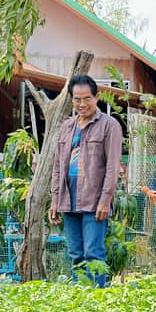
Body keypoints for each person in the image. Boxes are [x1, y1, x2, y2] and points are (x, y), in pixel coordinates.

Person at [49, 74, 122, 287]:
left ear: (96, 97)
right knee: (75, 254)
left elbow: (112, 166)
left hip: (94, 200)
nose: (82, 104)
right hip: (68, 199)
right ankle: (80, 298)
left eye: (86, 98)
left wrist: (105, 200)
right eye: (77, 99)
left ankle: (96, 299)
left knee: (94, 253)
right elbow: (57, 166)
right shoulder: (67, 127)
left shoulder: (109, 125)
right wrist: (55, 200)